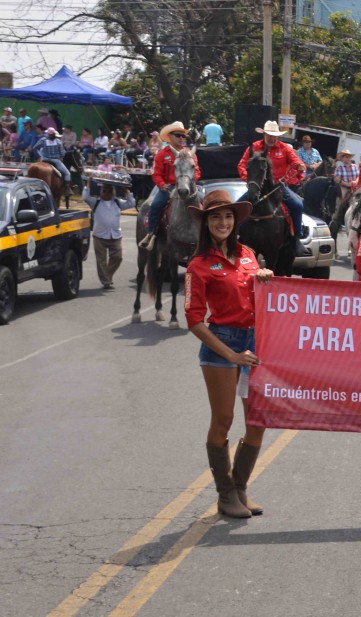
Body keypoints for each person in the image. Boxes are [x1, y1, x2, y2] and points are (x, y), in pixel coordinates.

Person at [184, 190, 275, 519]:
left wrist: (265, 279)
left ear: (235, 220)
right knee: (223, 420)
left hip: (254, 342)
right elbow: (193, 320)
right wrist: (232, 355)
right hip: (221, 343)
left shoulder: (249, 254)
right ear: (206, 223)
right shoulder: (199, 265)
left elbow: (261, 296)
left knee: (258, 421)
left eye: (227, 216)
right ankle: (225, 495)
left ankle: (239, 487)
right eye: (215, 217)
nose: (222, 222)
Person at [236, 120, 306, 254]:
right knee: (235, 206)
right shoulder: (254, 147)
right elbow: (242, 165)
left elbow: (296, 161)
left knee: (298, 206)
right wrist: (250, 180)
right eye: (269, 135)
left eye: (275, 136)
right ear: (264, 134)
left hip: (278, 186)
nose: (272, 138)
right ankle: (233, 238)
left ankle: (297, 239)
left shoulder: (285, 148)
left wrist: (300, 165)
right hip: (256, 187)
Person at [139, 121, 199, 251]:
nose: (181, 138)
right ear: (170, 137)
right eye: (178, 135)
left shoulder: (190, 154)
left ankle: (208, 235)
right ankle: (151, 234)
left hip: (189, 186)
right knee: (155, 205)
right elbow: (156, 173)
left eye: (183, 136)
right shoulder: (161, 154)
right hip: (169, 187)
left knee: (205, 203)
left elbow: (197, 171)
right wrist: (162, 185)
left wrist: (192, 181)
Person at [83, 183, 135, 289]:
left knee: (118, 257)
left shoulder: (117, 202)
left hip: (115, 235)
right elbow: (85, 197)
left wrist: (126, 191)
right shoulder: (95, 202)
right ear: (100, 192)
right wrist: (88, 184)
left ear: (113, 192)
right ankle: (106, 281)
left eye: (110, 191)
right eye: (104, 191)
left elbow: (131, 203)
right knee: (101, 260)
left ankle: (108, 275)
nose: (107, 193)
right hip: (99, 236)